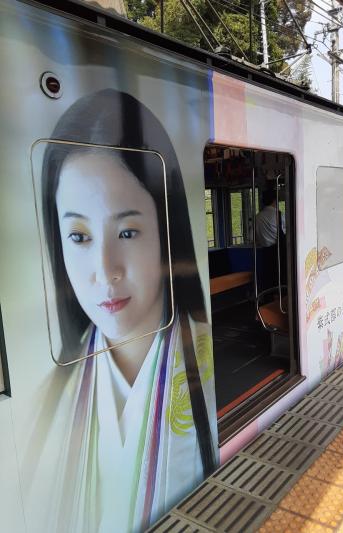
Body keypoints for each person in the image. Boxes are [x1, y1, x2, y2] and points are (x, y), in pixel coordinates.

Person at [29, 89, 217, 533]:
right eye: (78, 237)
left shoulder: (214, 365)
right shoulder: (46, 402)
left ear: (167, 231)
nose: (105, 271)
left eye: (128, 232)